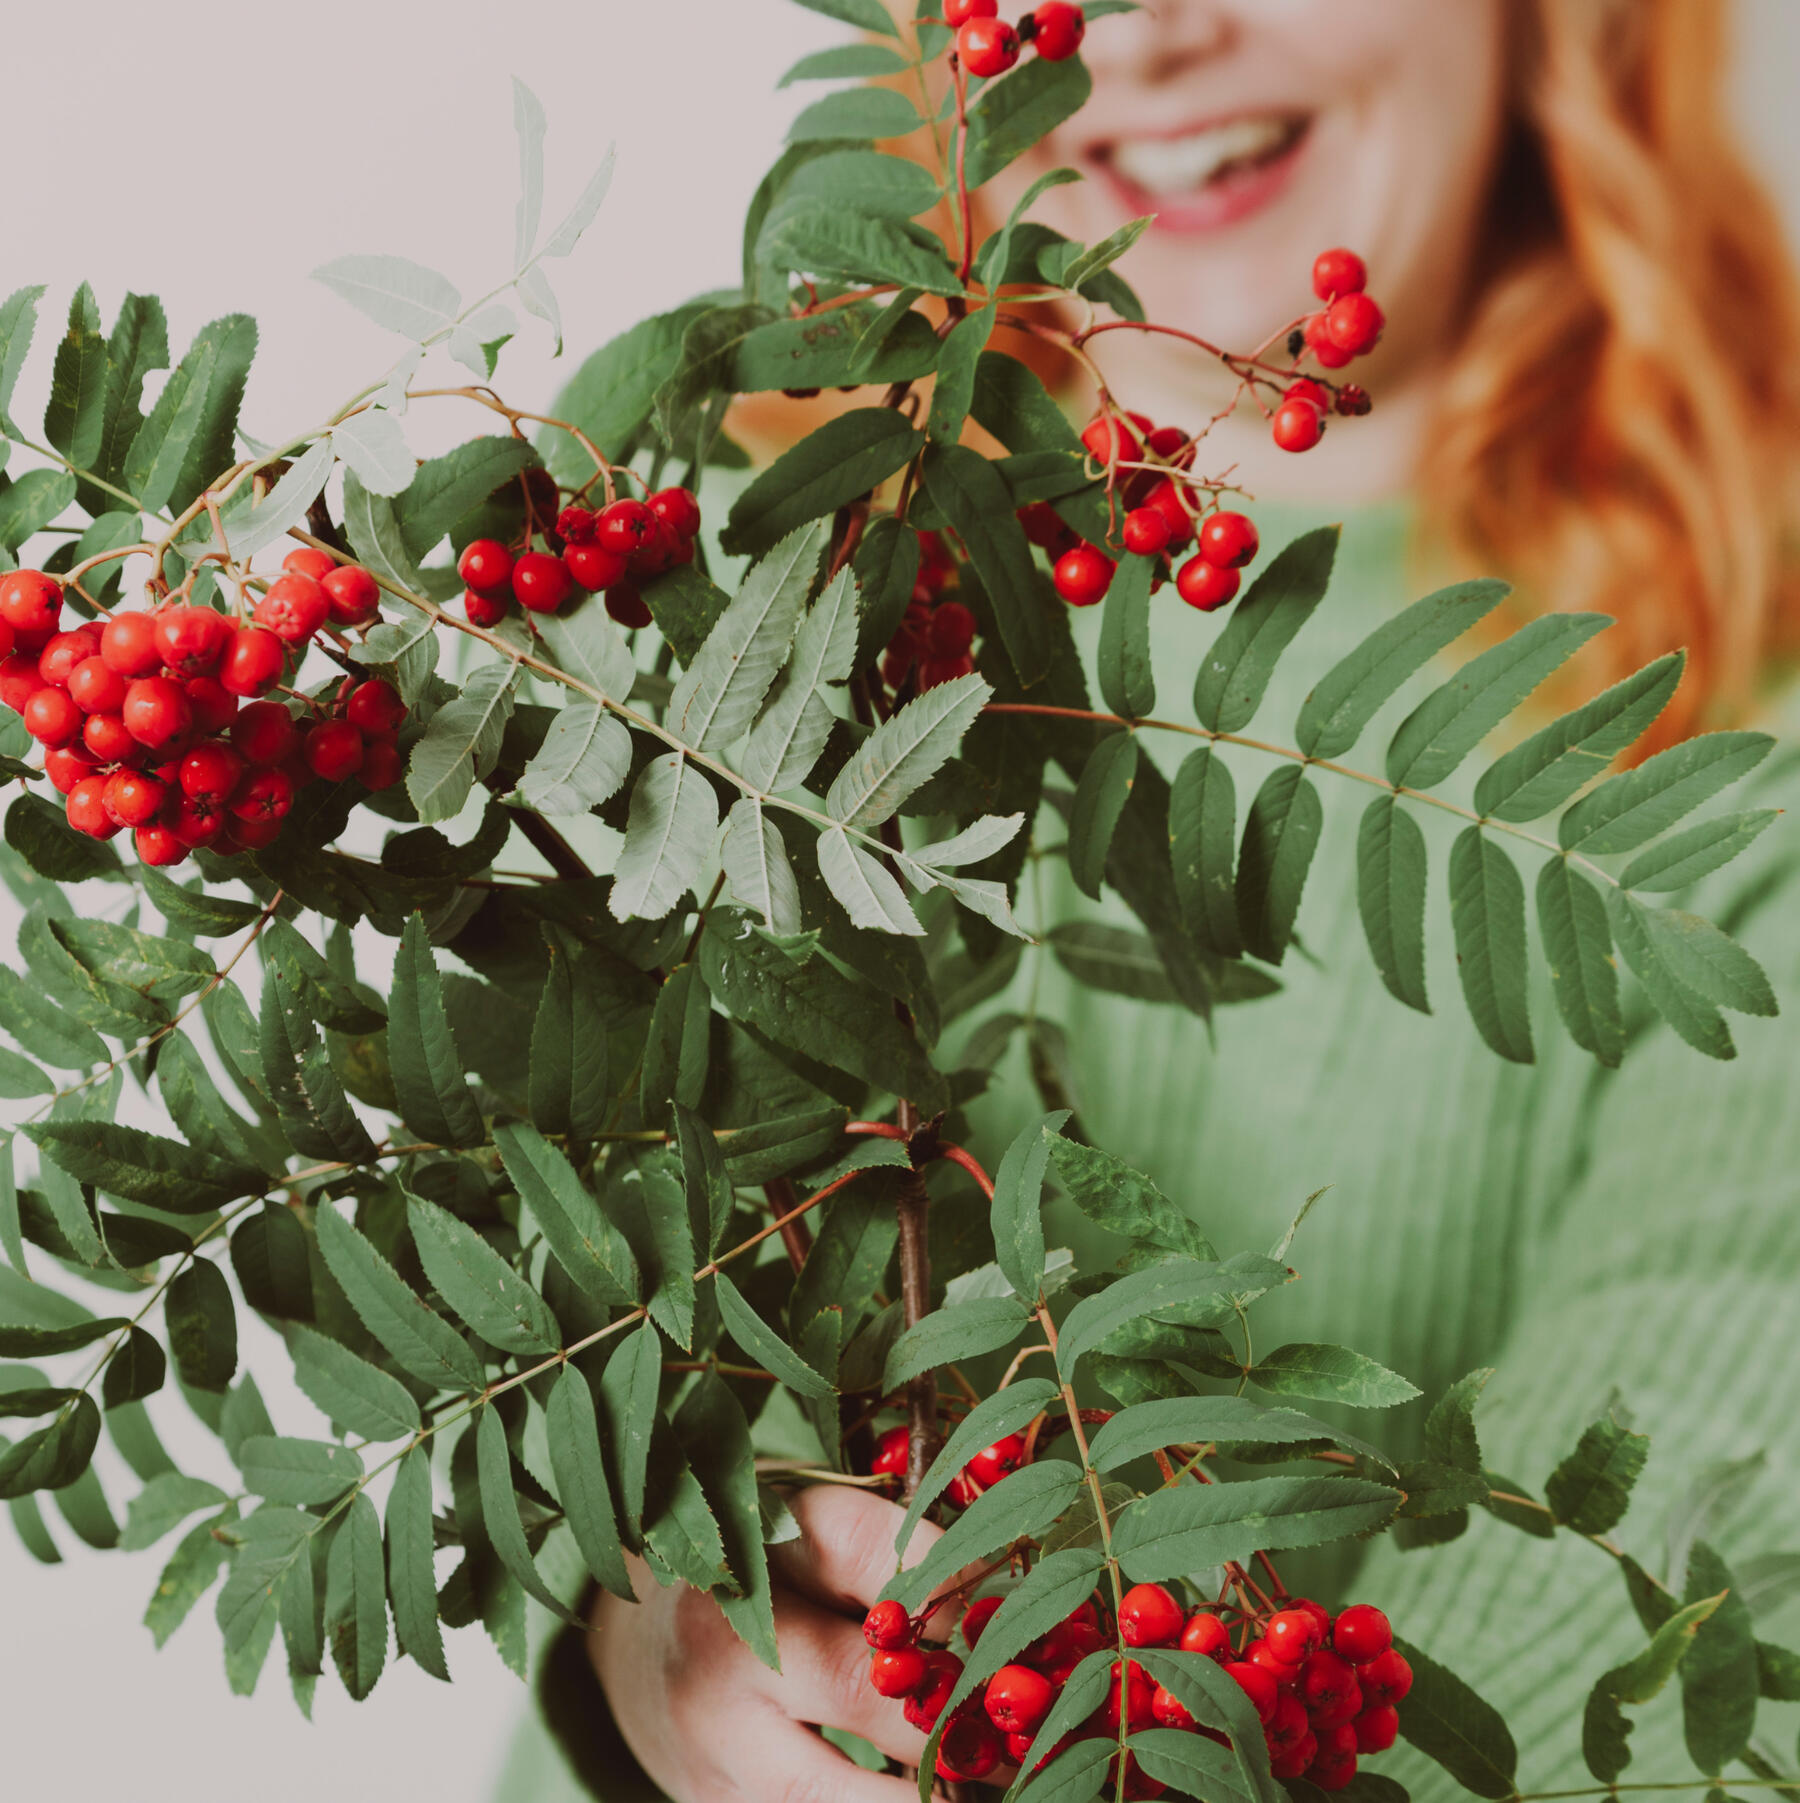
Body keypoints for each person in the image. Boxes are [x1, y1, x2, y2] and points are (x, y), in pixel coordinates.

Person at [502, 2, 1800, 1796]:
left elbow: (1723, 1492)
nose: (1164, 28)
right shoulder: (725, 563)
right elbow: (505, 1251)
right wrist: (627, 1596)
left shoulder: (1748, 742)